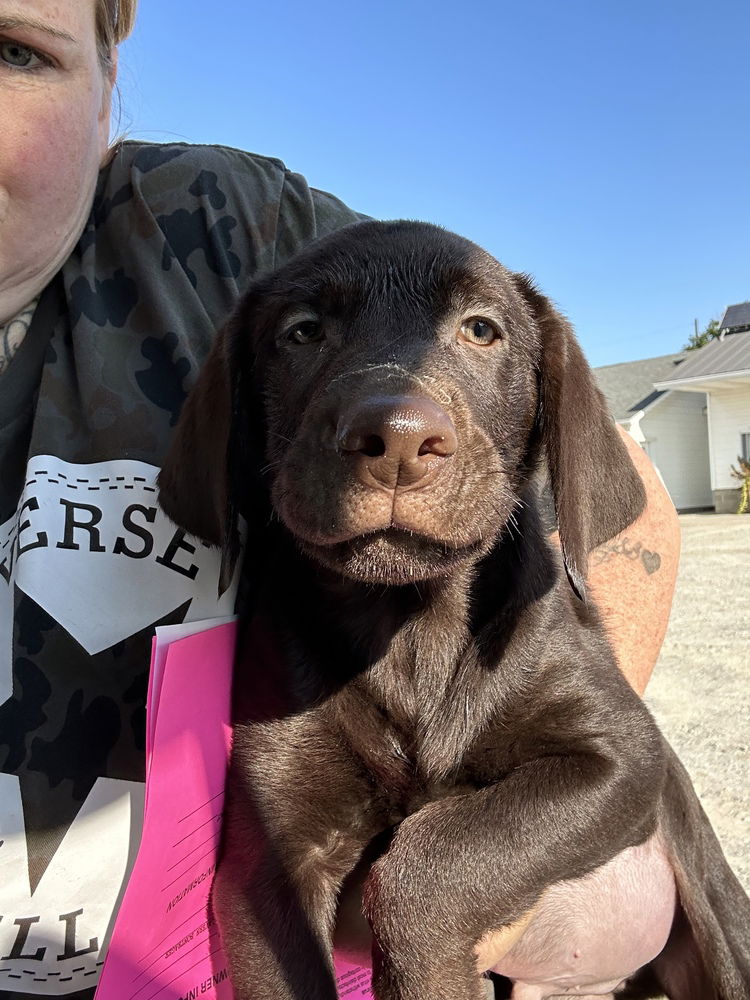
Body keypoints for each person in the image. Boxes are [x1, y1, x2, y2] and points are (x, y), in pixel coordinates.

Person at [0, 2, 680, 998]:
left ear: (107, 91)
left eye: (16, 51)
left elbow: (611, 489)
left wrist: (508, 835)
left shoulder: (213, 228)